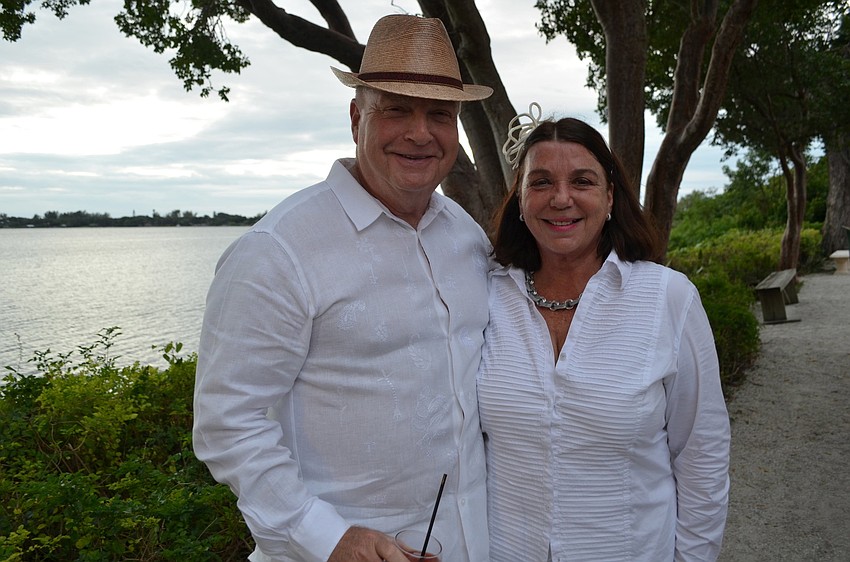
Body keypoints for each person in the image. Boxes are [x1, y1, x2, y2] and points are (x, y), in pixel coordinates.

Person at [192, 14, 494, 562]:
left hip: (476, 541)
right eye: (396, 109)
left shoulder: (466, 237)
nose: (420, 133)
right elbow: (227, 424)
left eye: (439, 115)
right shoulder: (278, 251)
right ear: (357, 117)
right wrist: (327, 537)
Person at [478, 104, 731, 561]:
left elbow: (702, 455)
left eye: (582, 181)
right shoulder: (485, 296)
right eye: (540, 182)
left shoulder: (668, 298)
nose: (561, 198)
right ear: (520, 200)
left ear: (610, 197)